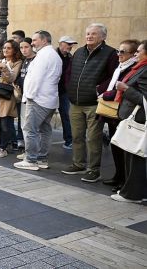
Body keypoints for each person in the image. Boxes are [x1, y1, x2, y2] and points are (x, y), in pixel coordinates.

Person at [62, 23, 119, 183]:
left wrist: (98, 90)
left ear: (103, 37)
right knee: (76, 136)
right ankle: (78, 163)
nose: (89, 36)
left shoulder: (110, 54)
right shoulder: (79, 52)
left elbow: (114, 76)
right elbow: (69, 73)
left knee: (93, 138)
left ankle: (94, 170)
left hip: (94, 103)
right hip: (75, 101)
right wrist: (69, 88)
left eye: (93, 34)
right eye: (87, 33)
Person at [13, 31, 62, 170]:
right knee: (45, 130)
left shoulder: (43, 56)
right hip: (49, 99)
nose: (32, 43)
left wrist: (29, 96)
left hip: (38, 99)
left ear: (44, 40)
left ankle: (31, 160)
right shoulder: (53, 55)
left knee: (30, 129)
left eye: (35, 40)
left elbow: (36, 78)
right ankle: (42, 159)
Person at [98, 40, 139, 190]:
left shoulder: (133, 69)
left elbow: (125, 90)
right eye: (118, 51)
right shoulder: (120, 66)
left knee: (123, 149)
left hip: (123, 112)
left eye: (123, 52)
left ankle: (124, 181)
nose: (119, 54)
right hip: (113, 111)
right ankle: (118, 176)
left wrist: (106, 95)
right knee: (115, 146)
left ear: (133, 54)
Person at [110, 40, 147, 203]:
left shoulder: (145, 70)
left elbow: (144, 99)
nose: (136, 54)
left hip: (138, 120)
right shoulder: (140, 68)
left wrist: (125, 89)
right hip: (133, 118)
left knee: (135, 157)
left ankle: (132, 194)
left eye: (139, 51)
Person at [56, 36, 77, 150]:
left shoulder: (70, 57)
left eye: (71, 44)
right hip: (51, 91)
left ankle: (68, 140)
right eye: (68, 44)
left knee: (66, 115)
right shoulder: (53, 55)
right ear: (61, 44)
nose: (70, 46)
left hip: (64, 91)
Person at [15, 38, 35, 151]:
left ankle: (30, 149)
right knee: (22, 121)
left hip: (31, 97)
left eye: (26, 47)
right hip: (22, 95)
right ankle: (23, 142)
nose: (23, 50)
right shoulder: (24, 61)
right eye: (21, 47)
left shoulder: (36, 60)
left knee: (30, 124)